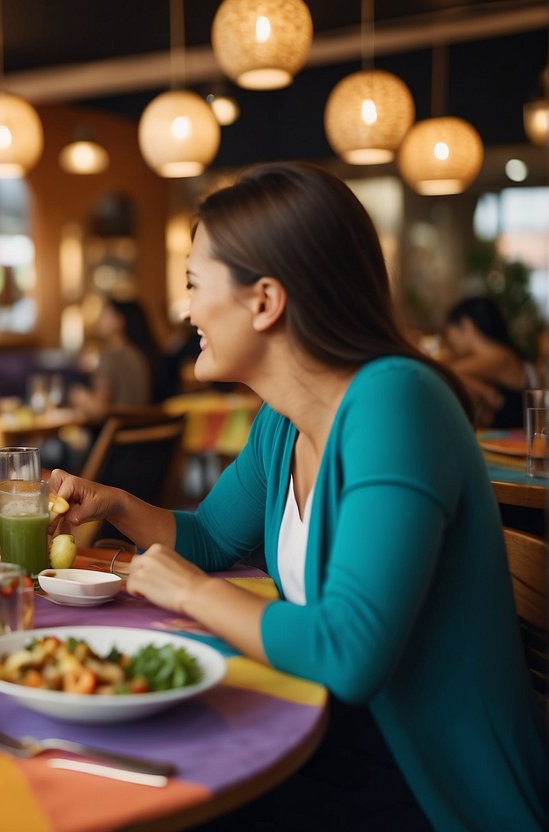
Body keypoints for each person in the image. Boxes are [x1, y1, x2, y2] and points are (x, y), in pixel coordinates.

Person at [49, 162, 546, 831]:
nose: (184, 309)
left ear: (263, 301)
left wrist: (190, 593)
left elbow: (348, 656)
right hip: (327, 741)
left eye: (194, 285)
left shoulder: (396, 404)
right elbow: (209, 540)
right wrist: (114, 504)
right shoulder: (282, 421)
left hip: (424, 784)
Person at [442, 295, 538, 428]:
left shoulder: (500, 357)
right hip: (504, 441)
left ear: (466, 325)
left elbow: (447, 372)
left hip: (518, 443)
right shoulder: (498, 356)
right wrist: (486, 392)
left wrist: (486, 393)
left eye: (450, 332)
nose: (450, 339)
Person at [69, 296, 167, 419]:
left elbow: (99, 409)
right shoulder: (138, 354)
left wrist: (80, 397)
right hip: (140, 432)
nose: (100, 319)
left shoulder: (110, 356)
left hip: (113, 434)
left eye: (105, 314)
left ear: (119, 320)